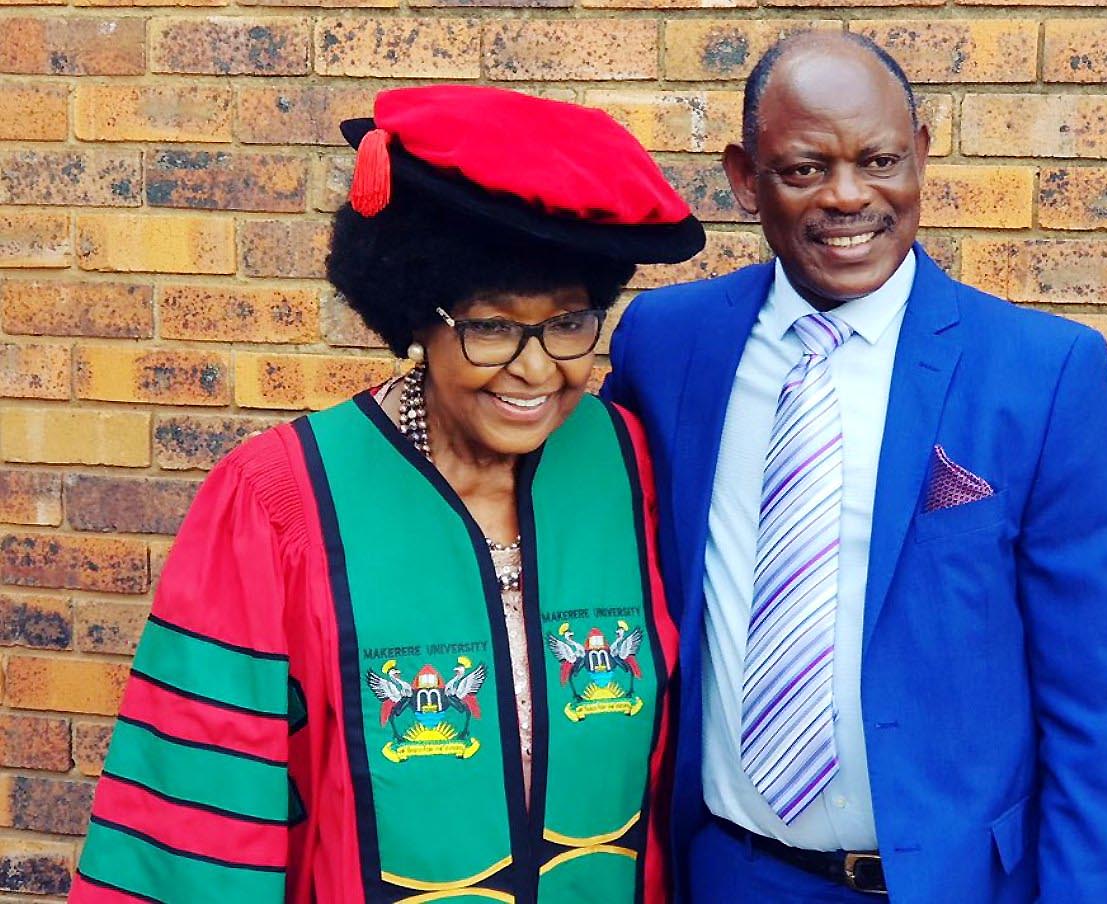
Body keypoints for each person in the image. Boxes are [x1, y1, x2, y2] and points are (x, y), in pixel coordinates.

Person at [70, 85, 705, 903]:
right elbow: (202, 819)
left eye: (569, 324)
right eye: (491, 327)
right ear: (418, 318)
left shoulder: (626, 466)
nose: (538, 369)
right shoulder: (283, 499)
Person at [602, 32, 1107, 903]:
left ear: (922, 156)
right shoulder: (667, 346)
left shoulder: (1039, 373)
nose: (849, 197)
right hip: (729, 874)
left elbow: (1099, 708)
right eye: (805, 168)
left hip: (948, 883)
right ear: (745, 176)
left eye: (881, 159)